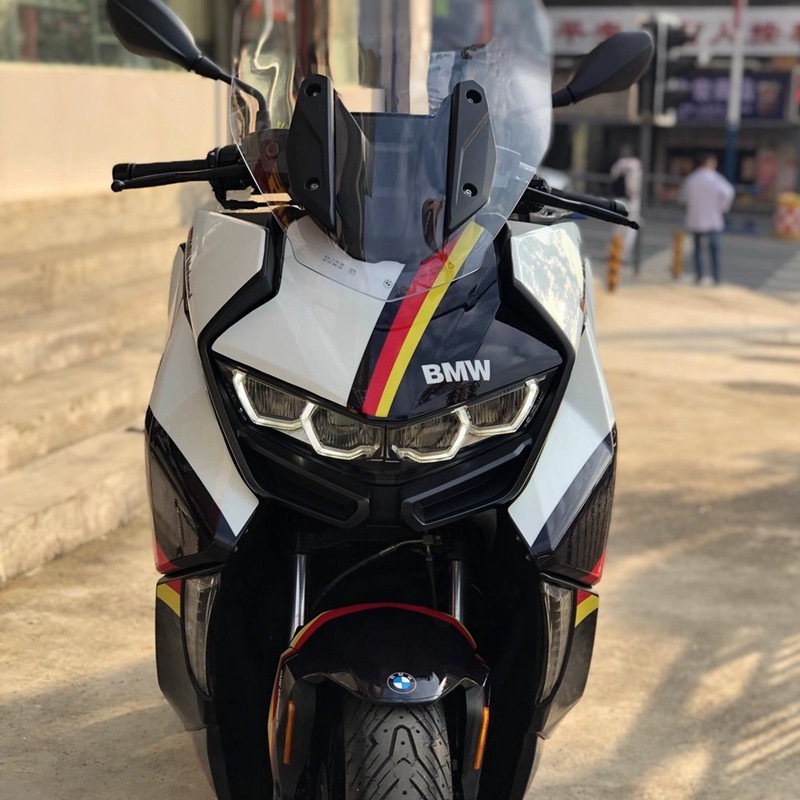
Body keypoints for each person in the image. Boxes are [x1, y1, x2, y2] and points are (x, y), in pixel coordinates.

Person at [680, 153, 735, 285]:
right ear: (710, 163)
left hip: (695, 217)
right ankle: (716, 277)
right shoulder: (716, 178)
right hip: (713, 217)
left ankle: (699, 275)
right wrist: (722, 207)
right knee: (714, 249)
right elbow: (728, 192)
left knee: (697, 249)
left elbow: (684, 197)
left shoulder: (692, 179)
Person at [609, 146, 642, 262]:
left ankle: (613, 251)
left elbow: (612, 175)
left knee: (617, 227)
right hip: (632, 199)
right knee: (630, 229)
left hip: (618, 198)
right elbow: (635, 186)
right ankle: (623, 254)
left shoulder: (621, 163)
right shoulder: (636, 165)